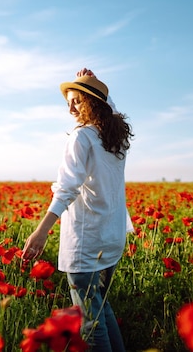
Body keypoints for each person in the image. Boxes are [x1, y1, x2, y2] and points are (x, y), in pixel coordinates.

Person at [22, 68, 133, 352]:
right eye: (68, 102)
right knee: (102, 309)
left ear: (93, 103)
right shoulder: (114, 140)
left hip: (87, 243)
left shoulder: (82, 137)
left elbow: (67, 188)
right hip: (111, 240)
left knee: (90, 324)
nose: (71, 108)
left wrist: (41, 231)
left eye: (78, 101)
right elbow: (109, 108)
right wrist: (92, 83)